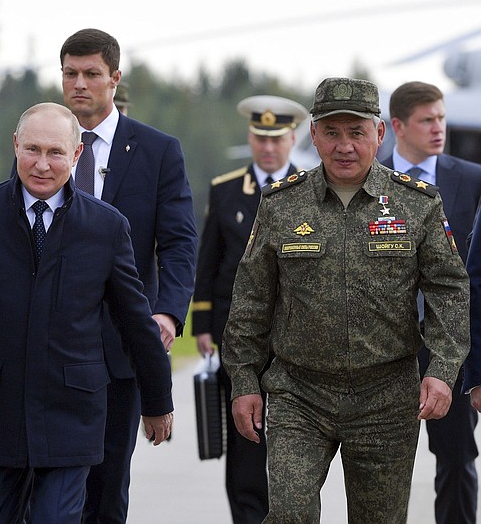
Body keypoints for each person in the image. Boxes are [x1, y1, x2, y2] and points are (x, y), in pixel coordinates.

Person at [222, 76, 470, 522]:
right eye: (332, 132)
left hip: (386, 398)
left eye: (356, 132)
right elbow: (251, 299)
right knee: (289, 513)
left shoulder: (417, 205)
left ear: (379, 134)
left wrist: (443, 370)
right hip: (299, 394)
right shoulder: (281, 205)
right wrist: (243, 381)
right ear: (313, 135)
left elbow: (449, 289)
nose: (344, 145)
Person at [0, 102, 174, 524]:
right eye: (32, 150)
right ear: (15, 145)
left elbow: (134, 321)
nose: (42, 164)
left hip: (71, 414)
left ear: (76, 155)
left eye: (55, 152)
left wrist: (157, 398)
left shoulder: (106, 227)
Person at [57, 28, 198, 523]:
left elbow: (179, 242)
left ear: (114, 79)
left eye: (91, 74)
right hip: (50, 345)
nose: (80, 84)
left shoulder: (158, 151)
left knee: (107, 482)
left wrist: (167, 313)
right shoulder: (44, 145)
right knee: (47, 483)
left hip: (122, 343)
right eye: (70, 74)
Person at [192, 94, 307, 523]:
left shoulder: (311, 190)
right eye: (261, 138)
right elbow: (209, 261)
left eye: (277, 139)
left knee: (292, 438)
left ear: (292, 139)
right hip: (234, 334)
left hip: (294, 336)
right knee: (243, 437)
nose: (269, 147)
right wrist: (202, 321)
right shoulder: (225, 191)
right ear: (250, 139)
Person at [379, 80, 481, 524]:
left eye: (441, 118)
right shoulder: (370, 179)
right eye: (427, 120)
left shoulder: (471, 178)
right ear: (398, 126)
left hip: (450, 348)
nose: (438, 128)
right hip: (385, 349)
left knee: (458, 461)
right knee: (378, 468)